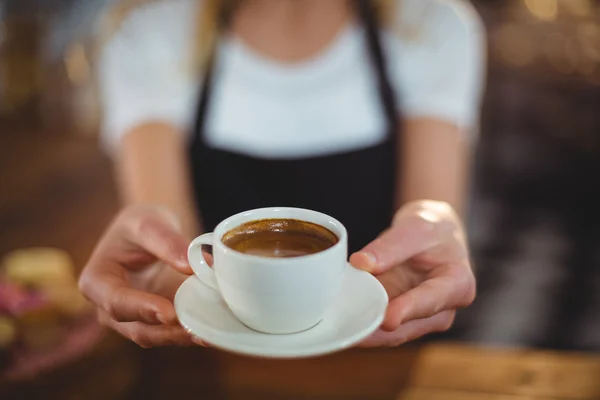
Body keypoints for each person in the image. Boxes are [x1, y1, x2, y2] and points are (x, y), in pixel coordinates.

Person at [79, 0, 485, 348]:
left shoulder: (429, 25)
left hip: (384, 364)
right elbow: (174, 265)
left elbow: (424, 239)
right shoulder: (152, 30)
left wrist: (437, 225)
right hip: (214, 370)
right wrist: (155, 273)